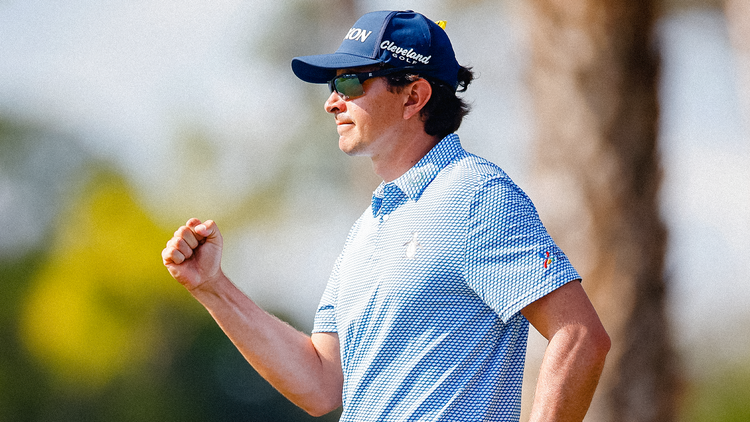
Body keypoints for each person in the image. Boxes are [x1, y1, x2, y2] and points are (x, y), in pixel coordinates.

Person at [162, 10, 610, 422]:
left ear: (414, 96)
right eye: (332, 85)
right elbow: (321, 383)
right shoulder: (369, 226)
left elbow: (579, 336)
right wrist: (212, 286)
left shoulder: (476, 194)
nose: (332, 102)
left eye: (350, 83)